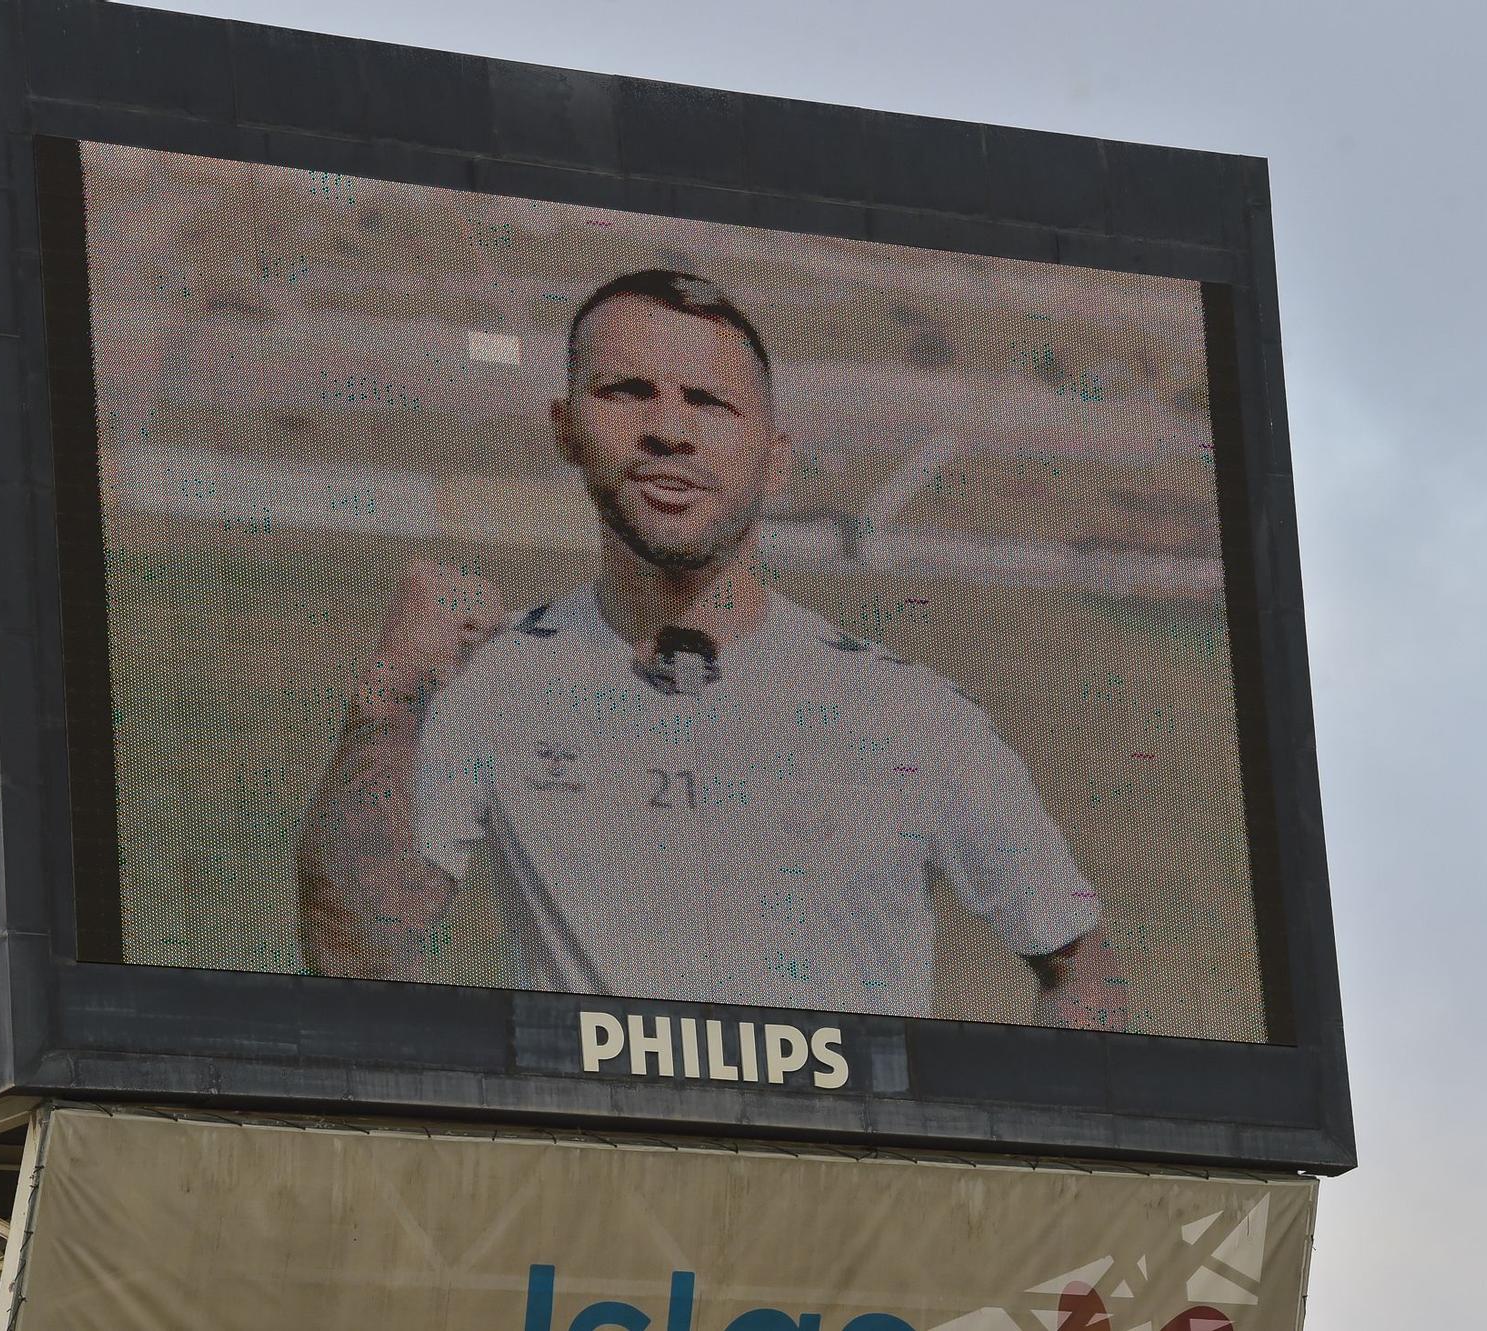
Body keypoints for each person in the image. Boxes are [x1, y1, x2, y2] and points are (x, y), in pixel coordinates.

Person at [297, 269, 1123, 1028]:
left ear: (775, 459)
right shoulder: (498, 680)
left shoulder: (910, 711)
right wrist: (391, 694)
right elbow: (355, 960)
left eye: (708, 402)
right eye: (626, 391)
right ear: (565, 428)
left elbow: (1082, 970)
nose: (667, 431)